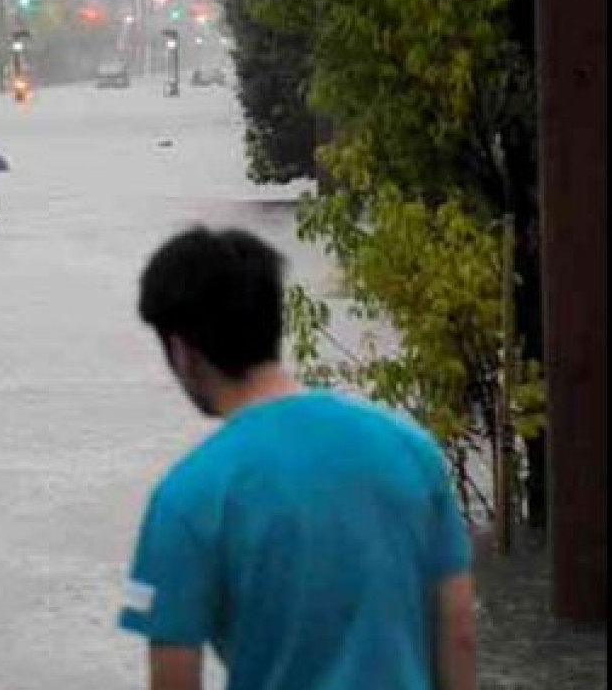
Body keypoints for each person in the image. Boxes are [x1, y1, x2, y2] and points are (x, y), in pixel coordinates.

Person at [121, 226, 476, 690]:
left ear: (182, 352)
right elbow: (460, 632)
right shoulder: (411, 449)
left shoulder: (188, 496)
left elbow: (174, 677)